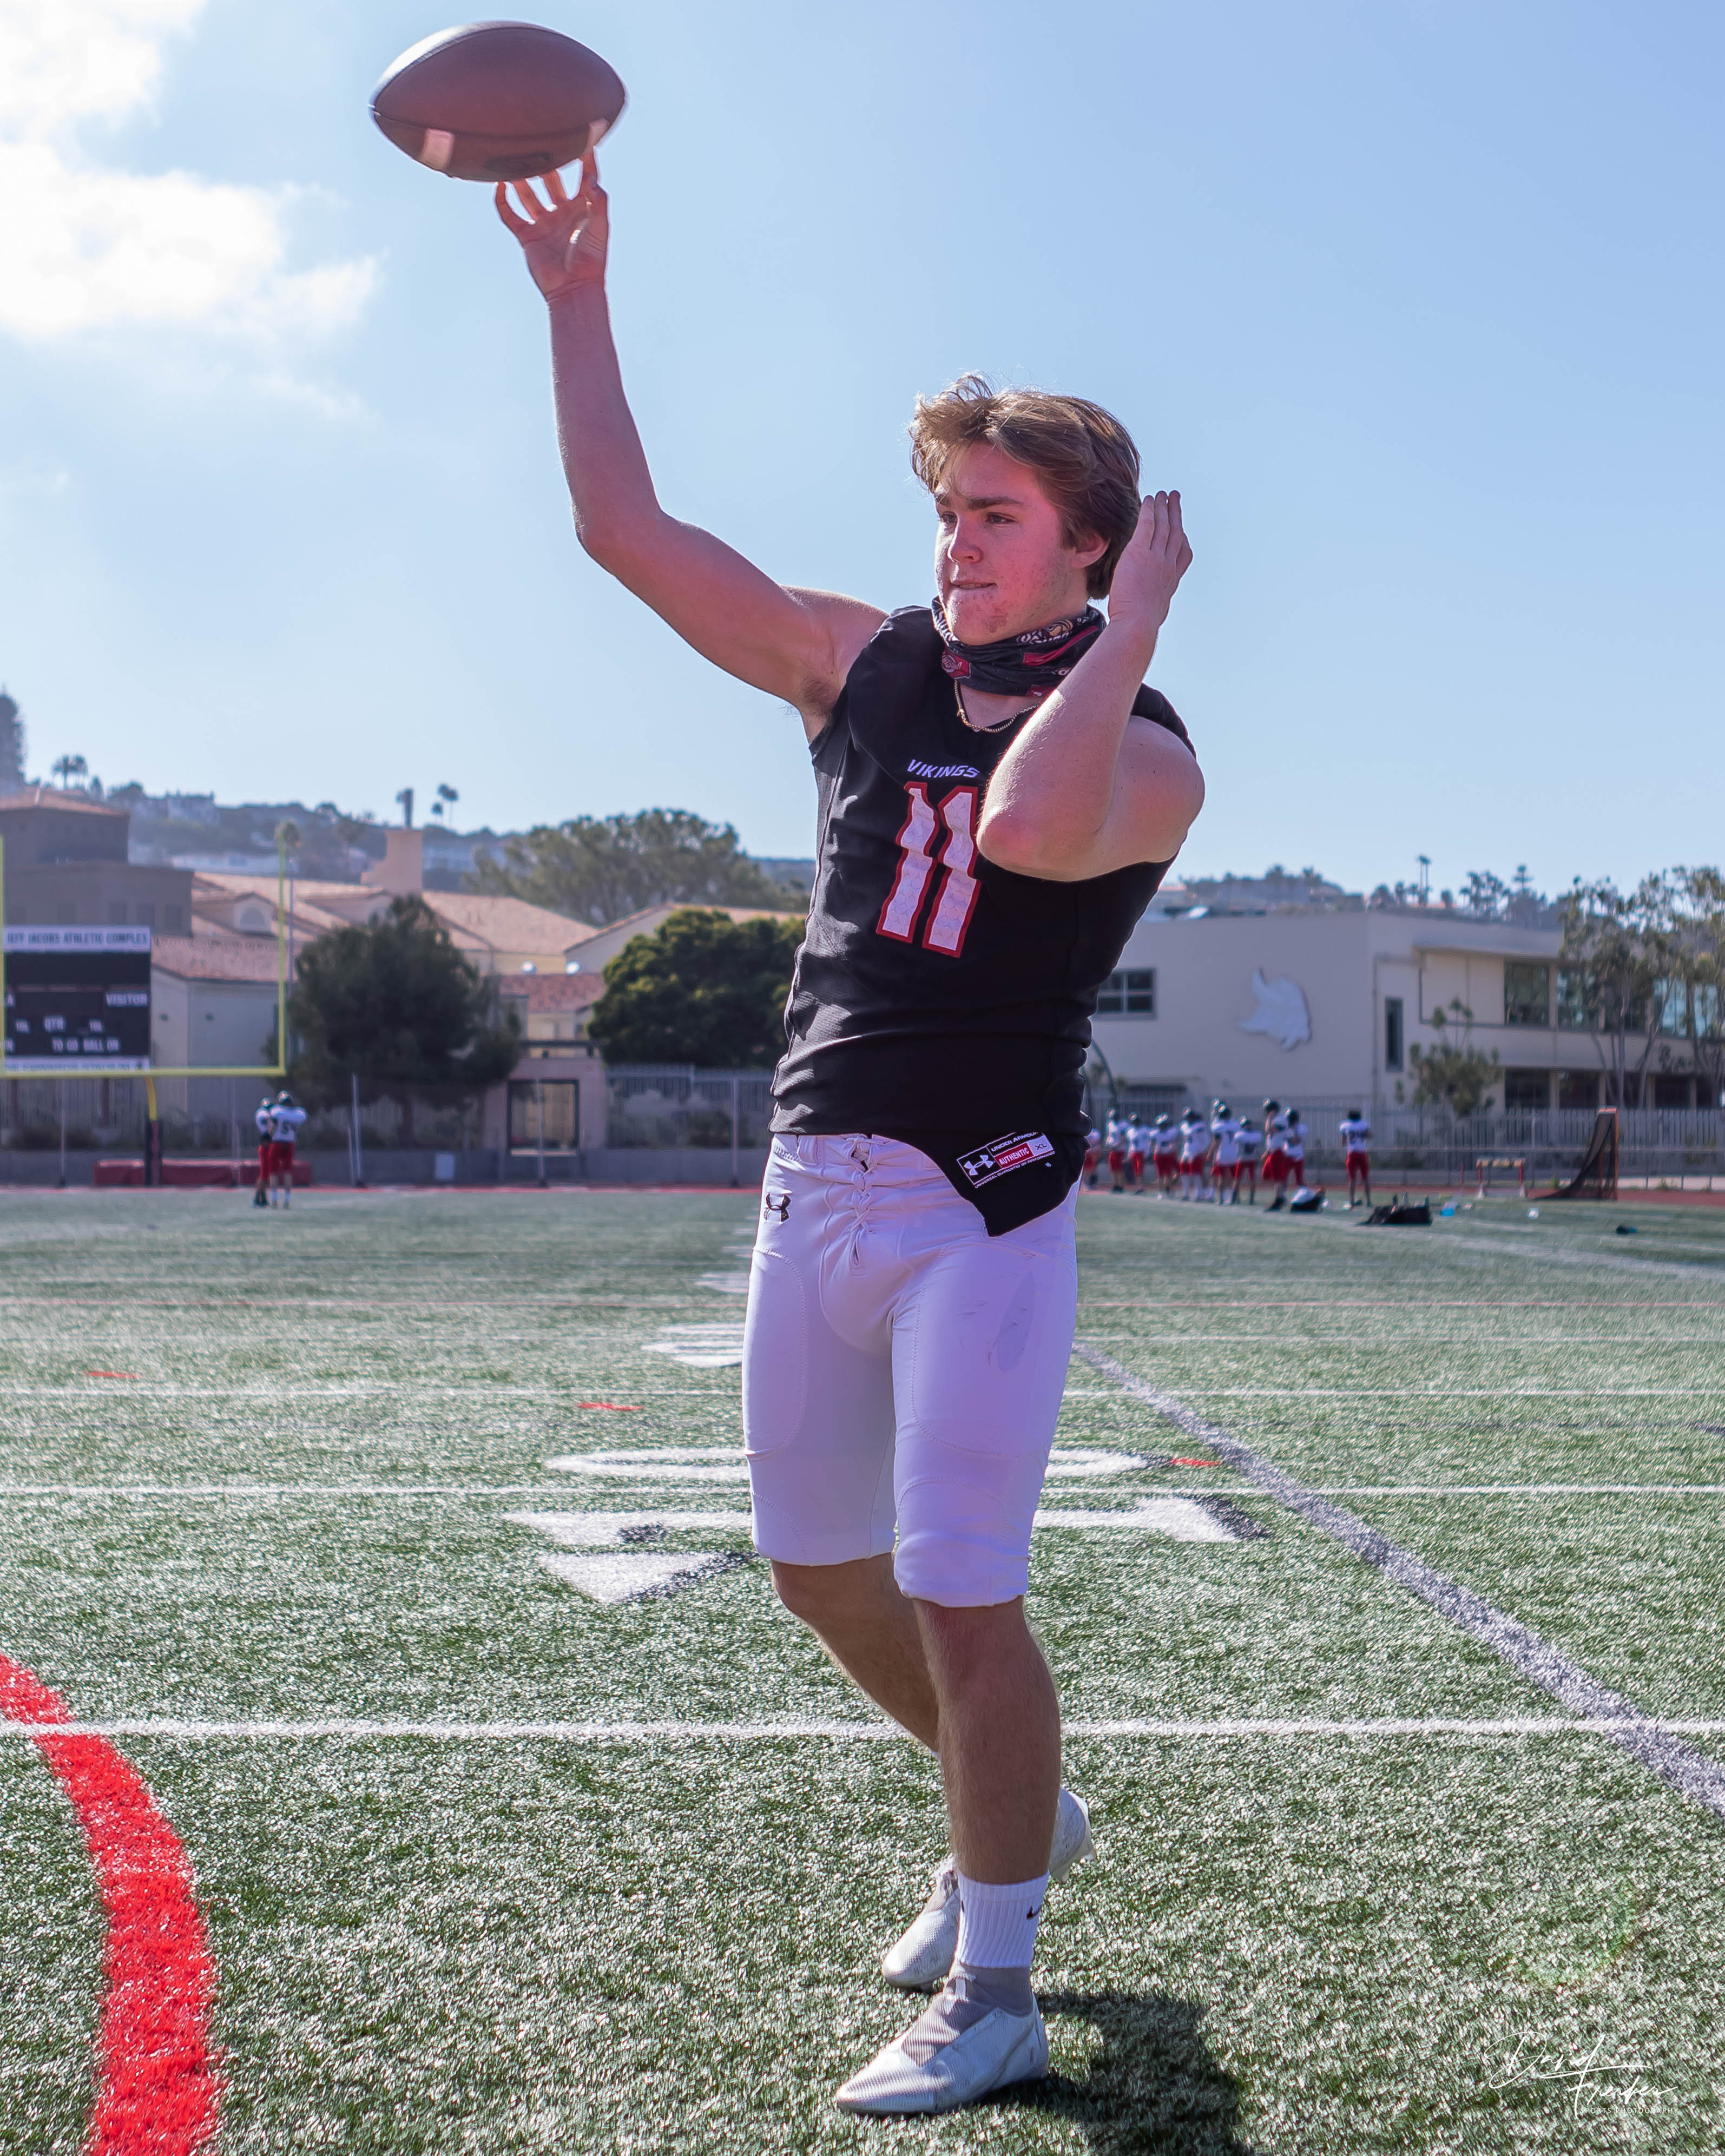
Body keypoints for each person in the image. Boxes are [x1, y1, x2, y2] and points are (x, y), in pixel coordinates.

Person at [497, 156, 1204, 2115]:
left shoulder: (1149, 747)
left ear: (1088, 548)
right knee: (818, 1573)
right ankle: (1015, 1800)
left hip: (982, 1203)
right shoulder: (864, 661)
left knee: (959, 1579)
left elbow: (1024, 825)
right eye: (944, 511)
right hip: (812, 1178)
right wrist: (575, 300)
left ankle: (997, 1986)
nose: (952, 543)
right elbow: (624, 531)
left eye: (994, 515)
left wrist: (1129, 630)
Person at [263, 1090, 306, 1208]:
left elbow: (272, 1127)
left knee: (273, 1172)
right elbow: (297, 1128)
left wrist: (268, 1136)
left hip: (277, 1142)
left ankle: (274, 1200)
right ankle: (287, 1200)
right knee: (288, 1172)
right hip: (290, 1143)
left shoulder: (276, 1111)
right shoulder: (299, 1113)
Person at [1208, 1099, 1242, 1205]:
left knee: (1221, 1177)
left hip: (1223, 1153)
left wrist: (1211, 1153)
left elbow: (1216, 1142)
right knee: (1234, 1178)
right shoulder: (1236, 1124)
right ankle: (1234, 1198)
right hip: (1234, 1153)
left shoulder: (1218, 1126)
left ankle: (1221, 1199)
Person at [1340, 1106, 1372, 1207]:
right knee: (1365, 1178)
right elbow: (1370, 1136)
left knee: (1352, 1179)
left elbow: (1343, 1142)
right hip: (1362, 1153)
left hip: (1352, 1154)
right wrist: (1362, 1134)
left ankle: (1352, 1200)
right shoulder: (1363, 1124)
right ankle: (1369, 1201)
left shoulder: (1345, 1126)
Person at [1261, 1098, 1290, 1211]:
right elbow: (1271, 1138)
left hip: (1278, 1152)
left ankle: (1279, 1199)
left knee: (1277, 1178)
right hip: (1272, 1151)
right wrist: (1267, 1151)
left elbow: (1269, 1131)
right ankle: (1281, 1196)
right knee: (1266, 1176)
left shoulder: (1279, 1119)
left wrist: (1269, 1119)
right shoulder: (1275, 1119)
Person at [1176, 1105, 1209, 1198]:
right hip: (1186, 1152)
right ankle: (1186, 1193)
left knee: (1196, 1173)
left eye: (1190, 1116)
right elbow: (1184, 1141)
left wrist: (1201, 1151)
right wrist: (1182, 1152)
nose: (1189, 1118)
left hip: (1197, 1152)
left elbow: (1207, 1140)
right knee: (1183, 1173)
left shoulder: (1200, 1126)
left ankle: (1200, 1193)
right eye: (1187, 1116)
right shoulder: (1184, 1126)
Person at [252, 1094, 273, 1208]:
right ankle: (257, 1199)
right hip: (265, 1146)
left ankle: (263, 1199)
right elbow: (268, 1121)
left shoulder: (264, 1115)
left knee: (266, 1175)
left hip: (267, 1146)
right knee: (264, 1175)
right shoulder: (262, 1114)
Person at [1150, 1112, 1180, 1196]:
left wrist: (1174, 1149)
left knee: (1168, 1174)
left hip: (1168, 1155)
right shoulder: (1155, 1133)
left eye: (1163, 1124)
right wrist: (1155, 1150)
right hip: (1159, 1155)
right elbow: (1152, 1144)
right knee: (1160, 1175)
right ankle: (1161, 1192)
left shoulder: (1172, 1132)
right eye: (1161, 1124)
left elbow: (1176, 1143)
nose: (1162, 1126)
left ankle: (1169, 1190)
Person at [1235, 1115, 1262, 1204]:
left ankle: (1251, 1198)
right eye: (1246, 1125)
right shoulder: (1242, 1134)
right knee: (1238, 1178)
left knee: (1251, 1179)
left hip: (1249, 1159)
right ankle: (1237, 1198)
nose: (1247, 1126)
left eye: (1248, 1125)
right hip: (1244, 1159)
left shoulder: (1241, 1135)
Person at [1104, 1107, 1132, 1195]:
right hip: (1113, 1150)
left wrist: (1116, 1146)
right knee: (1113, 1169)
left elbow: (1123, 1139)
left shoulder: (1123, 1124)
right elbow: (1109, 1135)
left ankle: (1121, 1186)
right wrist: (1108, 1143)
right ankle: (1115, 1186)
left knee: (1119, 1169)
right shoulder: (1110, 1124)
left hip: (1120, 1150)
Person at [1126, 1111, 1154, 1195]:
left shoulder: (1145, 1129)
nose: (1134, 1123)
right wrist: (1129, 1154)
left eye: (1135, 1121)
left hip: (1141, 1152)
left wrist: (1147, 1152)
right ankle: (1139, 1187)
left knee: (1140, 1171)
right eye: (1133, 1121)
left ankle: (1141, 1187)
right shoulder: (1130, 1131)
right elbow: (1131, 1144)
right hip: (1134, 1153)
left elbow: (1148, 1141)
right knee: (1136, 1171)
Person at [1283, 1105, 1309, 1192]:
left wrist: (1294, 1128)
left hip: (1298, 1156)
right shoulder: (1285, 1128)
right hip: (1287, 1155)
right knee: (1284, 1178)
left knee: (1299, 1179)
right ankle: (1282, 1195)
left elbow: (1296, 1140)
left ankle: (1303, 1194)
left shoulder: (1302, 1127)